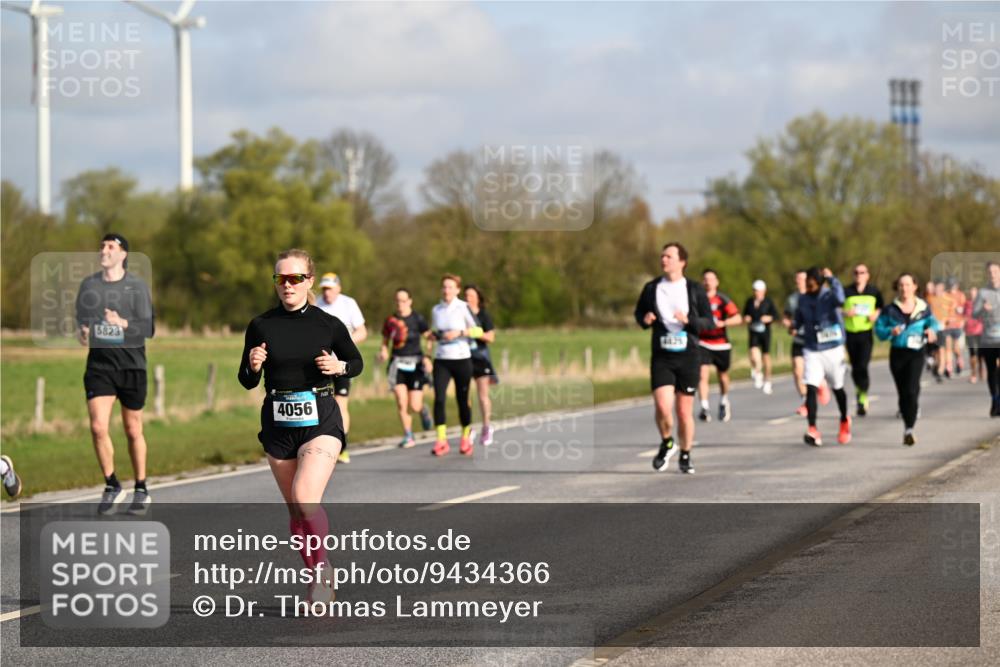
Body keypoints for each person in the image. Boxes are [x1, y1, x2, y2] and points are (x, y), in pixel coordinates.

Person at [238, 249, 363, 603]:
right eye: (280, 278)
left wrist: (339, 368)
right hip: (278, 422)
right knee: (295, 512)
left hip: (320, 417)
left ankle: (321, 574)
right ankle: (316, 573)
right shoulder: (261, 325)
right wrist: (253, 365)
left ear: (309, 281)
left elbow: (356, 362)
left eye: (295, 278)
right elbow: (246, 380)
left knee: (305, 497)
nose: (287, 285)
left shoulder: (327, 324)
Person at [75, 233, 155, 516]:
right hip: (100, 367)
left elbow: (148, 329)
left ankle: (141, 487)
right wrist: (83, 332)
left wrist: (120, 323)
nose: (104, 250)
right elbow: (81, 324)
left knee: (133, 429)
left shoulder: (136, 287)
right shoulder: (89, 286)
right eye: (102, 246)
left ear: (123, 255)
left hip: (132, 366)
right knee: (98, 427)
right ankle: (111, 484)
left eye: (111, 246)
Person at [634, 242, 713, 474]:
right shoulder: (651, 288)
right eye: (662, 256)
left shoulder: (695, 289)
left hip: (688, 356)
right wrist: (645, 319)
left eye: (669, 256)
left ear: (682, 262)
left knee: (683, 412)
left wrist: (690, 321)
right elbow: (639, 313)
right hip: (662, 355)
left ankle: (686, 454)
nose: (664, 260)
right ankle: (667, 441)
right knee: (662, 406)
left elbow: (709, 322)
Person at [875, 273, 940, 445]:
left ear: (914, 287)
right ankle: (909, 415)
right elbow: (879, 330)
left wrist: (931, 331)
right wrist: (890, 331)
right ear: (897, 287)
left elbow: (934, 323)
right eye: (901, 285)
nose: (904, 288)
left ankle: (909, 428)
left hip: (916, 352)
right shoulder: (890, 309)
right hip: (897, 353)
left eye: (908, 285)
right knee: (903, 392)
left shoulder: (923, 307)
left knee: (911, 389)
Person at [794, 267, 851, 446]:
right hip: (812, 348)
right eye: (805, 283)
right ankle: (812, 428)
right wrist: (794, 326)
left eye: (810, 283)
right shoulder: (802, 299)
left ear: (818, 282)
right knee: (810, 386)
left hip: (833, 348)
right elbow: (799, 319)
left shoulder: (829, 296)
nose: (807, 286)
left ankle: (844, 420)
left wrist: (832, 278)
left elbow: (841, 299)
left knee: (838, 388)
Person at [315, 272, 367, 463]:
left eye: (330, 288)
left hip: (342, 363)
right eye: (324, 289)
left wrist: (344, 344)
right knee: (321, 403)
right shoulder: (316, 304)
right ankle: (320, 445)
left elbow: (362, 331)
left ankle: (342, 446)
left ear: (338, 288)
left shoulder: (348, 303)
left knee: (340, 403)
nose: (327, 293)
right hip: (321, 363)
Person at [428, 274, 480, 457]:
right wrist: (432, 340)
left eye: (450, 287)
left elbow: (479, 330)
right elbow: (434, 333)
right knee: (439, 399)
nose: (446, 290)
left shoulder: (463, 307)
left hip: (462, 359)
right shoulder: (436, 309)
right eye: (444, 287)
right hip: (442, 359)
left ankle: (466, 436)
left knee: (462, 399)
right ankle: (441, 440)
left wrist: (460, 332)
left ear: (457, 290)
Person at [378, 288, 433, 448]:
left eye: (403, 300)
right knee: (402, 403)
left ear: (410, 301)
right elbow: (385, 340)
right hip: (397, 364)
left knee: (414, 405)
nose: (400, 304)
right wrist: (383, 351)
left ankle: (422, 410)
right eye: (397, 301)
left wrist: (428, 357)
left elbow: (429, 337)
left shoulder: (418, 319)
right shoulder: (390, 320)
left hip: (415, 364)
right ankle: (408, 435)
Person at [697, 269, 742, 422]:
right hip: (703, 342)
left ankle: (724, 400)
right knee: (702, 374)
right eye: (705, 279)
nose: (708, 282)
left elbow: (737, 317)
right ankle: (704, 407)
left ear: (716, 282)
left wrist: (723, 322)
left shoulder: (722, 300)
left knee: (722, 376)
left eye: (711, 279)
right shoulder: (697, 299)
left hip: (721, 344)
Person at [842, 263, 884, 416]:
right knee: (855, 368)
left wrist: (875, 314)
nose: (859, 275)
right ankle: (859, 391)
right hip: (850, 333)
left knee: (863, 366)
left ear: (867, 275)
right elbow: (837, 308)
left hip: (866, 333)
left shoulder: (874, 291)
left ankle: (863, 396)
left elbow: (881, 307)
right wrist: (846, 312)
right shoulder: (846, 291)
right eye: (856, 272)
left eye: (862, 272)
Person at [465, 284, 499, 446]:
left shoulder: (483, 315)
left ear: (478, 298)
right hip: (462, 356)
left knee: (482, 394)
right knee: (464, 395)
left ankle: (486, 427)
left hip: (480, 357)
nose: (468, 299)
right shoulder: (460, 314)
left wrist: (475, 333)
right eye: (466, 296)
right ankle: (468, 428)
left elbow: (491, 337)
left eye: (471, 296)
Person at [972, 261, 1000, 416]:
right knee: (991, 371)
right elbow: (974, 314)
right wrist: (983, 309)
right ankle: (995, 401)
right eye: (990, 272)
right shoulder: (982, 293)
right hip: (988, 338)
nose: (993, 274)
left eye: (995, 271)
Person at [743, 279, 778, 395]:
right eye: (755, 291)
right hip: (753, 331)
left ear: (764, 291)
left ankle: (768, 381)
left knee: (766, 356)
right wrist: (746, 318)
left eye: (758, 291)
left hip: (765, 332)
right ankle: (758, 372)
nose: (756, 293)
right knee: (753, 354)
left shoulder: (768, 302)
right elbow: (745, 314)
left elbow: (775, 315)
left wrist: (768, 318)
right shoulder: (750, 301)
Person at [783, 270, 810, 416]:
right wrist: (789, 326)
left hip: (812, 341)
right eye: (798, 278)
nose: (800, 281)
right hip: (798, 340)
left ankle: (819, 389)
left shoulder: (814, 297)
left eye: (803, 278)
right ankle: (805, 400)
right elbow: (786, 316)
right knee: (797, 371)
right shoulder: (792, 299)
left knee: (811, 372)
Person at [943, 279, 967, 377]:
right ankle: (949, 366)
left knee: (956, 346)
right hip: (947, 324)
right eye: (950, 285)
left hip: (957, 324)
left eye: (954, 285)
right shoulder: (945, 295)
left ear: (957, 286)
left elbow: (965, 309)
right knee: (948, 346)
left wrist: (963, 320)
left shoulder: (961, 295)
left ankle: (959, 360)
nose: (952, 287)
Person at [964, 286, 984, 385]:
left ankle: (981, 368)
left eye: (974, 292)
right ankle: (973, 373)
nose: (972, 294)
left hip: (980, 331)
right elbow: (963, 316)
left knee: (980, 353)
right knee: (972, 353)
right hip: (969, 332)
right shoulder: (966, 304)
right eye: (971, 292)